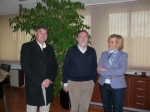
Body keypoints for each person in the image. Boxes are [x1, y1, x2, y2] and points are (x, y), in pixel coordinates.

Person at [20, 25, 58, 112]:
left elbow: (54, 65)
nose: (43, 35)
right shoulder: (27, 46)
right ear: (35, 34)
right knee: (31, 108)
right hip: (34, 84)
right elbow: (25, 66)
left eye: (46, 33)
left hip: (48, 83)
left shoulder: (50, 48)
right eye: (41, 32)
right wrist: (40, 81)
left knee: (45, 106)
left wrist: (50, 79)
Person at [62, 30, 97, 112]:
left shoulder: (92, 51)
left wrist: (93, 81)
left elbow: (94, 67)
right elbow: (65, 67)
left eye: (85, 36)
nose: (83, 38)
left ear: (87, 38)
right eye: (81, 36)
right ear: (77, 38)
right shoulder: (71, 51)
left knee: (84, 108)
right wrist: (65, 83)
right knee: (74, 108)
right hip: (74, 84)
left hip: (88, 83)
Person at [97, 34, 128, 112]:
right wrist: (111, 75)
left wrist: (106, 70)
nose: (109, 44)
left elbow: (122, 70)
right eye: (109, 42)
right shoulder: (104, 54)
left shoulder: (123, 55)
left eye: (112, 42)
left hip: (118, 86)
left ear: (118, 43)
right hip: (103, 85)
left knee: (117, 109)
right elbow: (99, 69)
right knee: (107, 108)